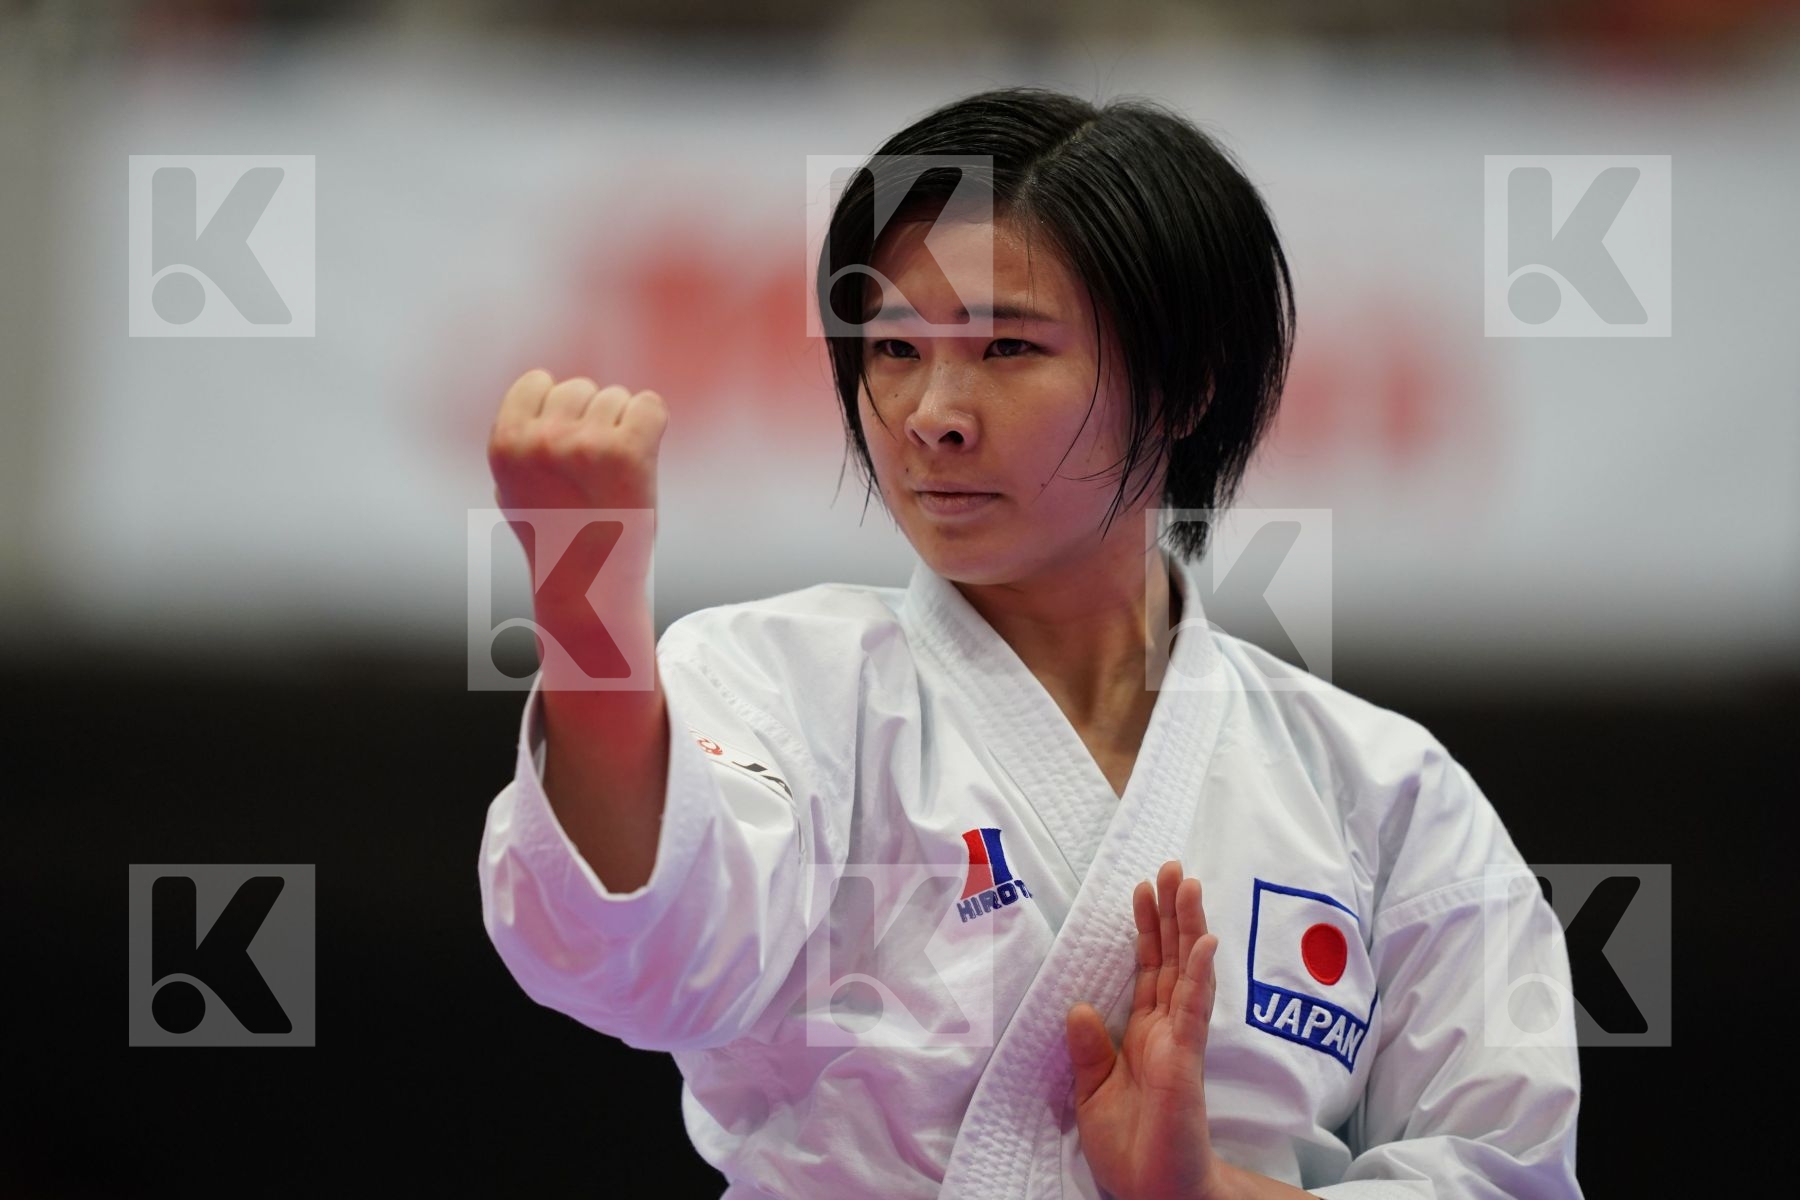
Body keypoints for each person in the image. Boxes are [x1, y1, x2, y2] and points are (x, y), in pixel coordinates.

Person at [477, 86, 1583, 1199]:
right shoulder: (782, 685)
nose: (932, 413)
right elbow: (636, 960)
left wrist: (1203, 1194)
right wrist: (587, 617)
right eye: (895, 348)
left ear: (1187, 382)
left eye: (1007, 345)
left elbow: (1506, 1175)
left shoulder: (1385, 795)